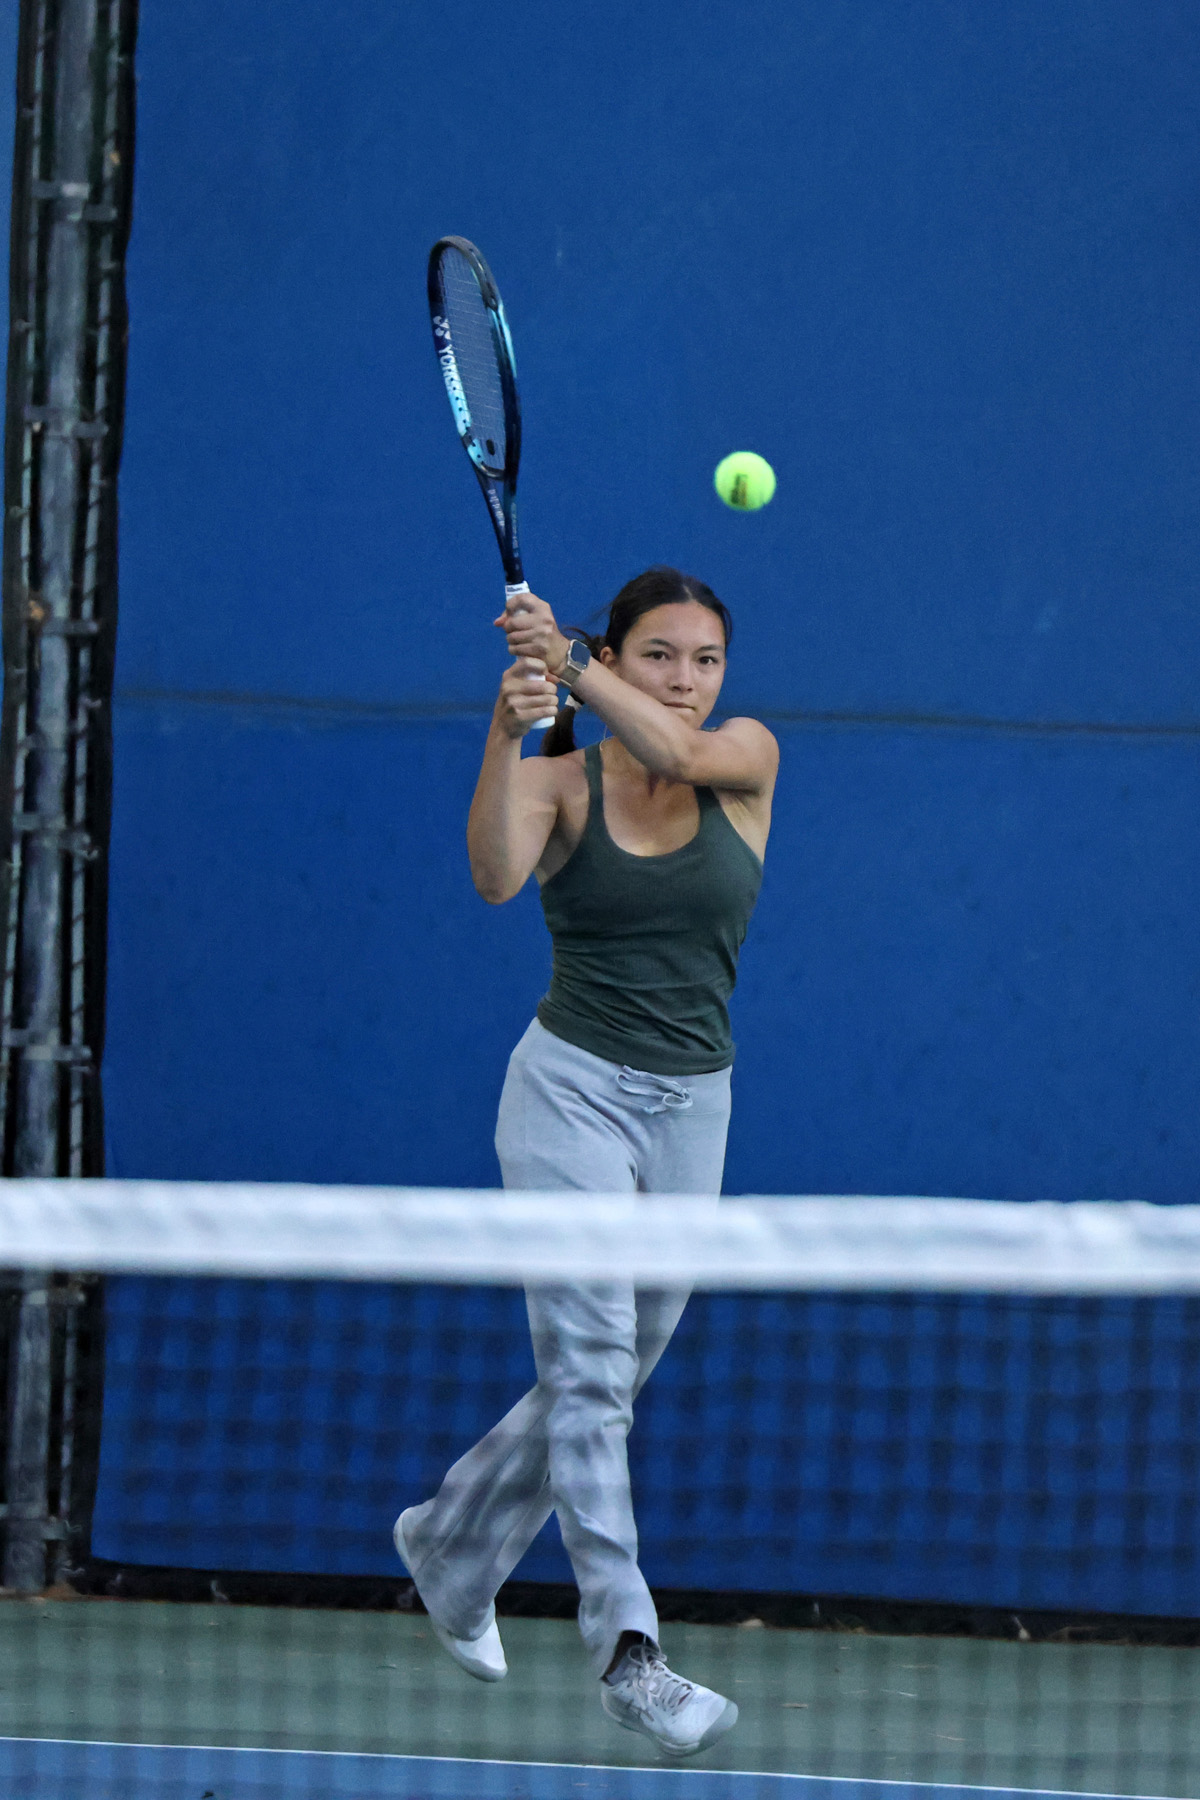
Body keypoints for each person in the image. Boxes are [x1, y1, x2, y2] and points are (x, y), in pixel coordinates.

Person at [394, 566, 778, 1757]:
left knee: (611, 1368)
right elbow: (494, 878)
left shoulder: (746, 757)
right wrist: (507, 729)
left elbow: (673, 744)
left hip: (694, 1107)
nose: (686, 679)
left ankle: (451, 1542)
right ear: (620, 654)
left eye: (705, 659)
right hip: (568, 1095)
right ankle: (629, 1651)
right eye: (659, 653)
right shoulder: (564, 778)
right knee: (595, 1366)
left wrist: (569, 663)